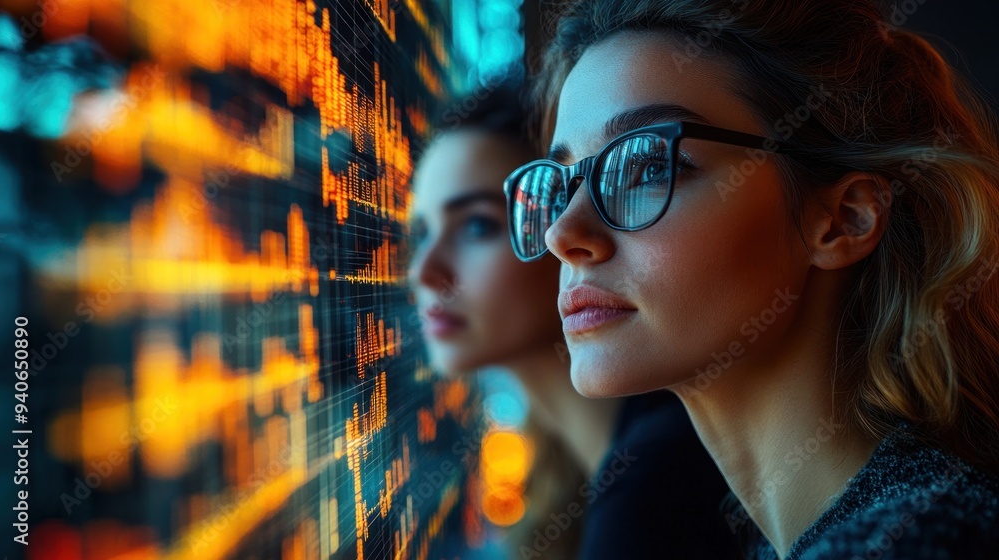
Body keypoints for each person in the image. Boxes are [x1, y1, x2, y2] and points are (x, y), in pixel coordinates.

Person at [504, 1, 999, 558]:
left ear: (842, 221)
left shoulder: (917, 540)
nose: (563, 233)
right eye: (562, 182)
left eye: (648, 166)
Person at [409, 85, 740, 558]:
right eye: (422, 233)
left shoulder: (657, 484)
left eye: (478, 225)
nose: (425, 272)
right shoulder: (583, 469)